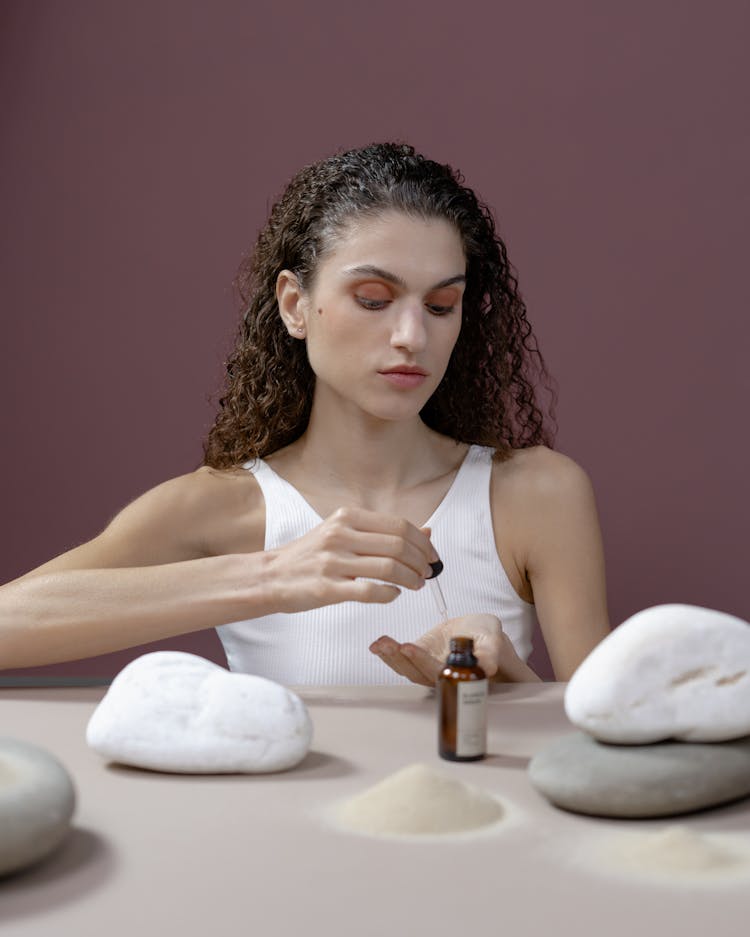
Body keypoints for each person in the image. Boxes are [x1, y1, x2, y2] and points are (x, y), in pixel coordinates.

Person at [0, 142, 610, 684]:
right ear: (295, 305)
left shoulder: (537, 493)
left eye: (441, 305)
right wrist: (273, 576)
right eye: (373, 299)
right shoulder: (219, 508)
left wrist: (508, 680)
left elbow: (611, 751)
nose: (410, 336)